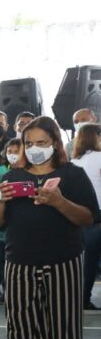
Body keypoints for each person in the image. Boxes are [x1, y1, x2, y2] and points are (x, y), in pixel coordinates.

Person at [0, 116, 99, 339]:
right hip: (19, 262)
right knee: (19, 324)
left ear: (54, 143)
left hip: (64, 261)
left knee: (65, 323)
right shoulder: (12, 177)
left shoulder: (72, 175)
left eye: (42, 143)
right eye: (29, 143)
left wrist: (59, 202)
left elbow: (88, 218)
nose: (35, 148)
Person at [0, 138, 23, 303]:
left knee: (10, 262)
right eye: (10, 152)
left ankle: (9, 291)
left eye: (16, 152)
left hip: (13, 226)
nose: (13, 155)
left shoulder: (26, 173)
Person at [72, 123, 101, 310]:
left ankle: (81, 297)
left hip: (77, 214)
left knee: (85, 261)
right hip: (98, 215)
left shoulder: (74, 161)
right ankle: (84, 298)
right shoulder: (99, 158)